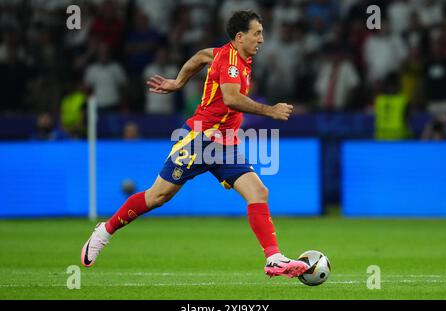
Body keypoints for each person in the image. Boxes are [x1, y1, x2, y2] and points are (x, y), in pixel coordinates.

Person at [80, 10, 308, 279]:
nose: (261, 39)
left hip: (225, 145)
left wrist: (178, 81)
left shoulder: (231, 55)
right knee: (157, 197)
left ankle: (273, 258)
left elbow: (201, 56)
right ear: (240, 36)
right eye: (257, 33)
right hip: (199, 138)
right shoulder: (232, 62)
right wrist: (270, 111)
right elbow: (232, 98)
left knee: (258, 192)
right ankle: (104, 232)